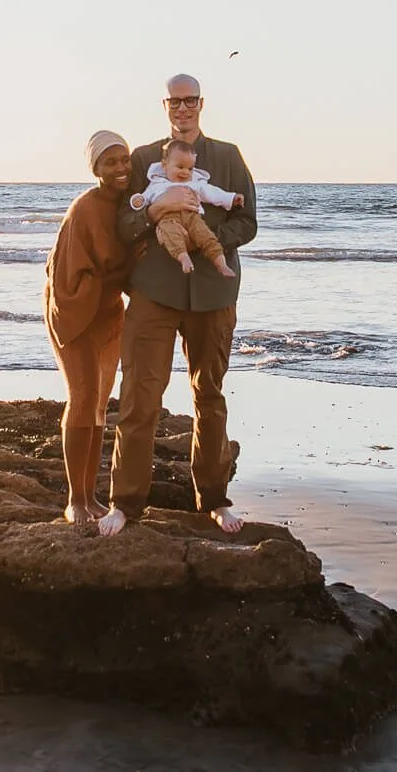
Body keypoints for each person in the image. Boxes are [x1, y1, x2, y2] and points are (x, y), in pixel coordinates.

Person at [99, 73, 257, 537]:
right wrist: (156, 210)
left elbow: (248, 222)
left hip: (214, 294)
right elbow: (122, 225)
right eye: (175, 102)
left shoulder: (227, 157)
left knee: (209, 396)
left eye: (190, 101)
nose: (183, 109)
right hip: (154, 293)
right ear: (164, 106)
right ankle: (125, 503)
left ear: (202, 104)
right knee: (138, 398)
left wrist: (206, 239)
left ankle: (213, 499)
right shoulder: (146, 159)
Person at [44, 129, 137, 524]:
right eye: (109, 162)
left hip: (108, 312)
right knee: (81, 396)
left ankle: (93, 496)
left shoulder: (131, 205)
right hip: (73, 310)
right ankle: (75, 500)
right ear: (95, 168)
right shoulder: (83, 208)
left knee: (99, 403)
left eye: (123, 160)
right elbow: (65, 273)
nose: (119, 168)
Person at [130, 137, 241, 277]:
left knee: (206, 236)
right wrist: (137, 201)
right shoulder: (156, 184)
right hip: (168, 219)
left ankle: (221, 264)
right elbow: (144, 199)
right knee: (170, 233)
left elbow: (213, 194)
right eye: (180, 167)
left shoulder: (195, 183)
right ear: (164, 165)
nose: (185, 172)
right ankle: (183, 257)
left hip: (192, 216)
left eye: (190, 169)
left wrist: (231, 198)